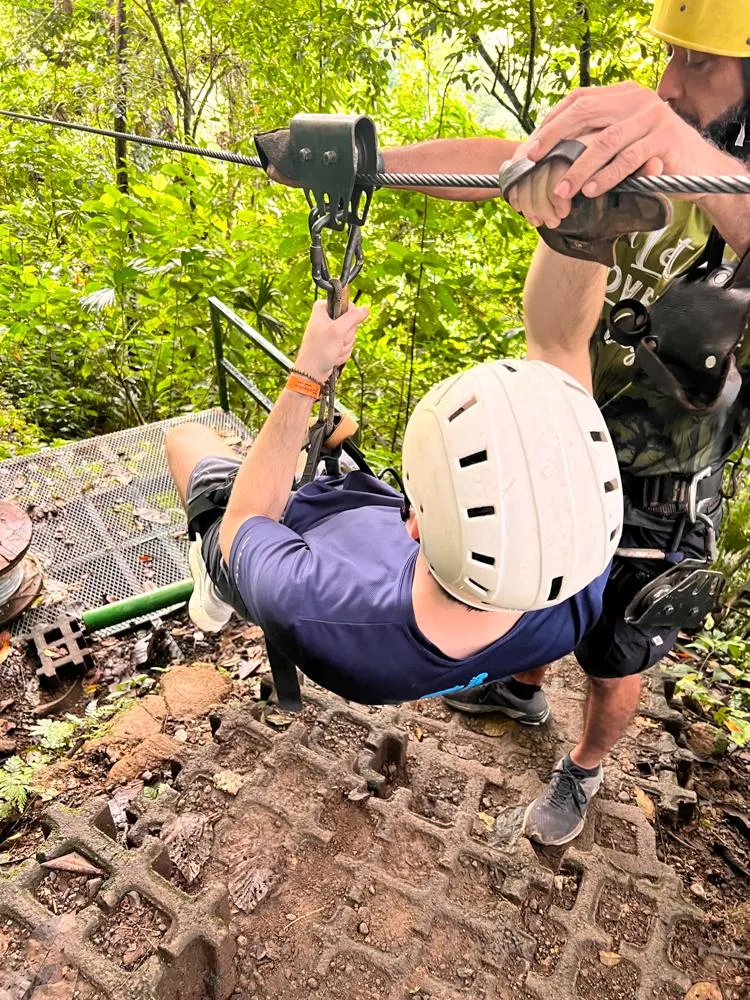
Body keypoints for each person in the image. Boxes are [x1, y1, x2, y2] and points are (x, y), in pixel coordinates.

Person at [357, 0, 748, 845]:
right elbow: (506, 161)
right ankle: (521, 685)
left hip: (670, 466)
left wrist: (681, 150)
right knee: (541, 568)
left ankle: (585, 766)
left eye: (703, 66)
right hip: (570, 412)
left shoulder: (703, 164)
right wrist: (369, 163)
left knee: (620, 641)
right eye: (671, 56)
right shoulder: (640, 139)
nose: (671, 83)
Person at [165, 298, 621, 743]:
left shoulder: (316, 607)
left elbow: (247, 515)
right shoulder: (576, 601)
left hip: (266, 542)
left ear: (415, 524)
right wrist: (581, 235)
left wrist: (308, 372)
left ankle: (209, 579)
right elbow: (561, 345)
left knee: (186, 440)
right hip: (345, 509)